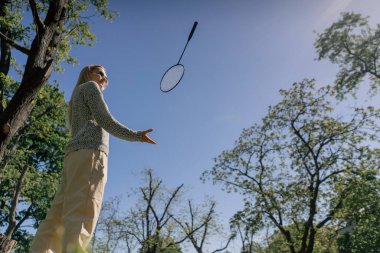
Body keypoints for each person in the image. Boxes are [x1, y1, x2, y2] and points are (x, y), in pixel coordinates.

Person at [30, 64, 156, 253]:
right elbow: (106, 120)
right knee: (82, 213)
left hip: (73, 158)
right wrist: (136, 135)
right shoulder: (90, 87)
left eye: (106, 76)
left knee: (56, 215)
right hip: (90, 155)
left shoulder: (75, 97)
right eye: (100, 73)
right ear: (87, 73)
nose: (104, 78)